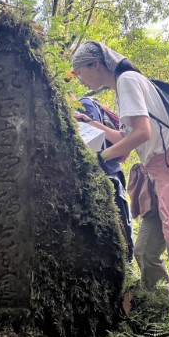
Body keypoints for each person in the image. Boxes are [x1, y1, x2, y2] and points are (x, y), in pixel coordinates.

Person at [72, 41, 169, 311]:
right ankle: (166, 316)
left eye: (79, 71)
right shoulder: (122, 87)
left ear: (95, 65)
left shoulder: (127, 81)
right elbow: (127, 139)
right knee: (146, 252)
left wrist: (98, 158)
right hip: (158, 179)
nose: (79, 78)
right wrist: (90, 123)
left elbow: (142, 134)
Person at [73, 95, 134, 263]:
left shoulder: (85, 104)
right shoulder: (87, 104)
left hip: (107, 170)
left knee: (118, 221)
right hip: (111, 170)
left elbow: (95, 140)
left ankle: (126, 265)